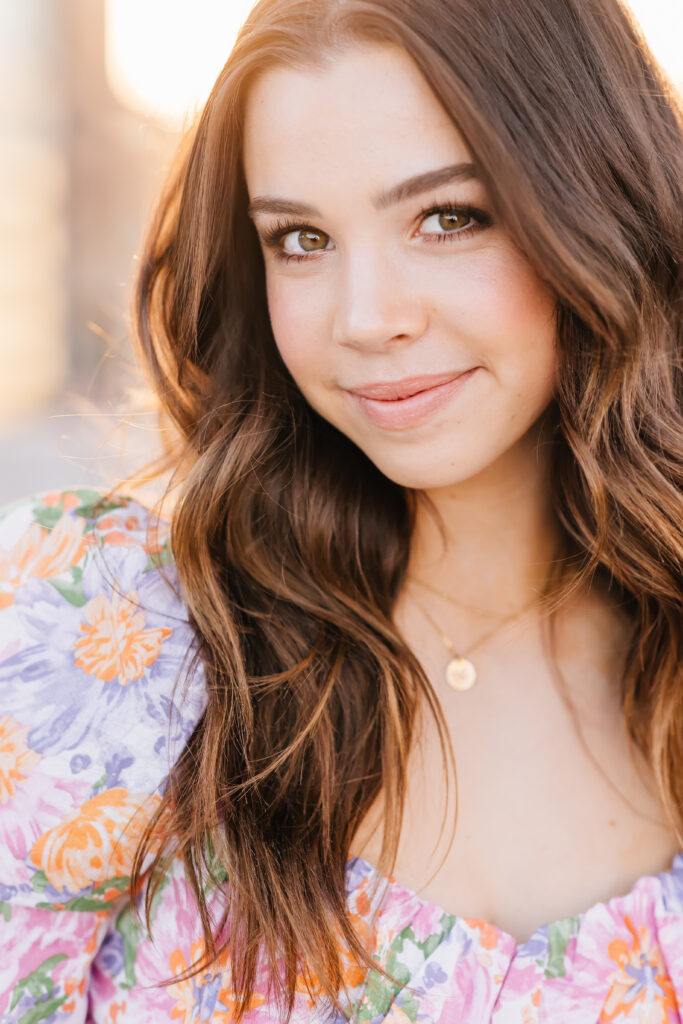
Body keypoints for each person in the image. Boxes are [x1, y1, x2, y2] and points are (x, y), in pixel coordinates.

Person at [0, 0, 681, 1020]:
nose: (365, 318)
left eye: (448, 217)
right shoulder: (104, 627)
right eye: (300, 238)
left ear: (597, 209)